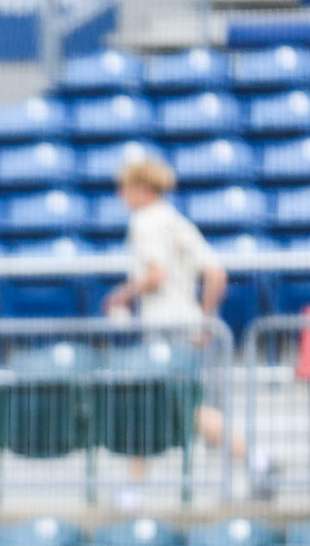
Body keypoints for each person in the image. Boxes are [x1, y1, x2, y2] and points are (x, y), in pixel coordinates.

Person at [101, 155, 273, 501]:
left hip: (164, 331)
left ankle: (255, 459)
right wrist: (202, 318)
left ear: (142, 188)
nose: (121, 195)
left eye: (125, 188)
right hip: (188, 327)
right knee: (163, 404)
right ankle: (253, 460)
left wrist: (120, 296)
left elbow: (156, 274)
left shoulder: (146, 222)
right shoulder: (177, 222)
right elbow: (216, 275)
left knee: (166, 405)